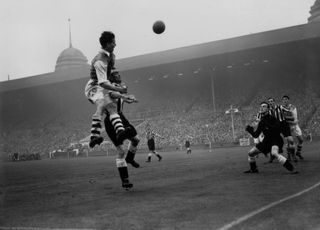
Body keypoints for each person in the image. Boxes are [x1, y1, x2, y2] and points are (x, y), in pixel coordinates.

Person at [84, 31, 131, 149]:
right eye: (113, 43)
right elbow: (102, 83)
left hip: (103, 85)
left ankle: (120, 131)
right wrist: (118, 88)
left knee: (111, 107)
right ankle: (94, 136)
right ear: (106, 44)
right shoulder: (99, 60)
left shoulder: (111, 56)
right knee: (101, 104)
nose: (115, 45)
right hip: (94, 86)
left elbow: (109, 75)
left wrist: (119, 88)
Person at [103, 71, 140, 190]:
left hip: (121, 117)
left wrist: (131, 99)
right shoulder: (109, 86)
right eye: (116, 74)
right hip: (111, 119)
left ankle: (130, 158)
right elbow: (113, 95)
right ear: (112, 77)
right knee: (121, 151)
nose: (119, 75)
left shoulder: (120, 87)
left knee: (136, 139)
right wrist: (125, 96)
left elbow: (124, 99)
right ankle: (125, 180)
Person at [244, 101, 297, 174]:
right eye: (261, 106)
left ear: (268, 109)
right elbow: (256, 135)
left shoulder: (272, 118)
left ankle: (291, 168)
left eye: (264, 106)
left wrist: (266, 124)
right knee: (250, 153)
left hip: (276, 139)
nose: (262, 108)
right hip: (267, 141)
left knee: (274, 153)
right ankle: (253, 169)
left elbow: (277, 129)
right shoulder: (262, 121)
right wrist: (250, 130)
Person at [268, 97, 296, 162]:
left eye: (271, 101)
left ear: (274, 102)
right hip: (275, 127)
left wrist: (291, 109)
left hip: (283, 124)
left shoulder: (280, 107)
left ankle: (293, 155)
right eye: (269, 101)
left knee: (291, 140)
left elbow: (289, 110)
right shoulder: (268, 111)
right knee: (271, 141)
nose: (270, 102)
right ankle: (272, 156)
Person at [281, 95, 304, 160]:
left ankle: (298, 152)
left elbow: (295, 116)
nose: (284, 100)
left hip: (295, 124)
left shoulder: (293, 107)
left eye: (286, 99)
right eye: (283, 99)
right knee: (289, 142)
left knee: (301, 140)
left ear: (288, 100)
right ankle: (289, 156)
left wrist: (295, 121)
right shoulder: (281, 108)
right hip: (288, 126)